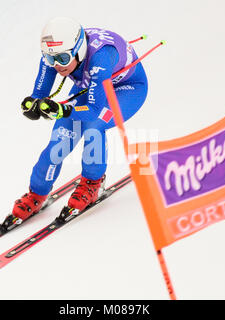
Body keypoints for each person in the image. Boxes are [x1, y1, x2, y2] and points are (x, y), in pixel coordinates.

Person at [12, 17, 148, 222]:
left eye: (64, 60)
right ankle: (36, 192)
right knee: (60, 141)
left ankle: (93, 182)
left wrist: (63, 110)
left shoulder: (101, 58)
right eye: (51, 60)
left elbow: (94, 110)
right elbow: (40, 93)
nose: (57, 66)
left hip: (126, 89)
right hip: (91, 84)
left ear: (79, 49)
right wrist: (34, 104)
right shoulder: (56, 51)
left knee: (94, 126)